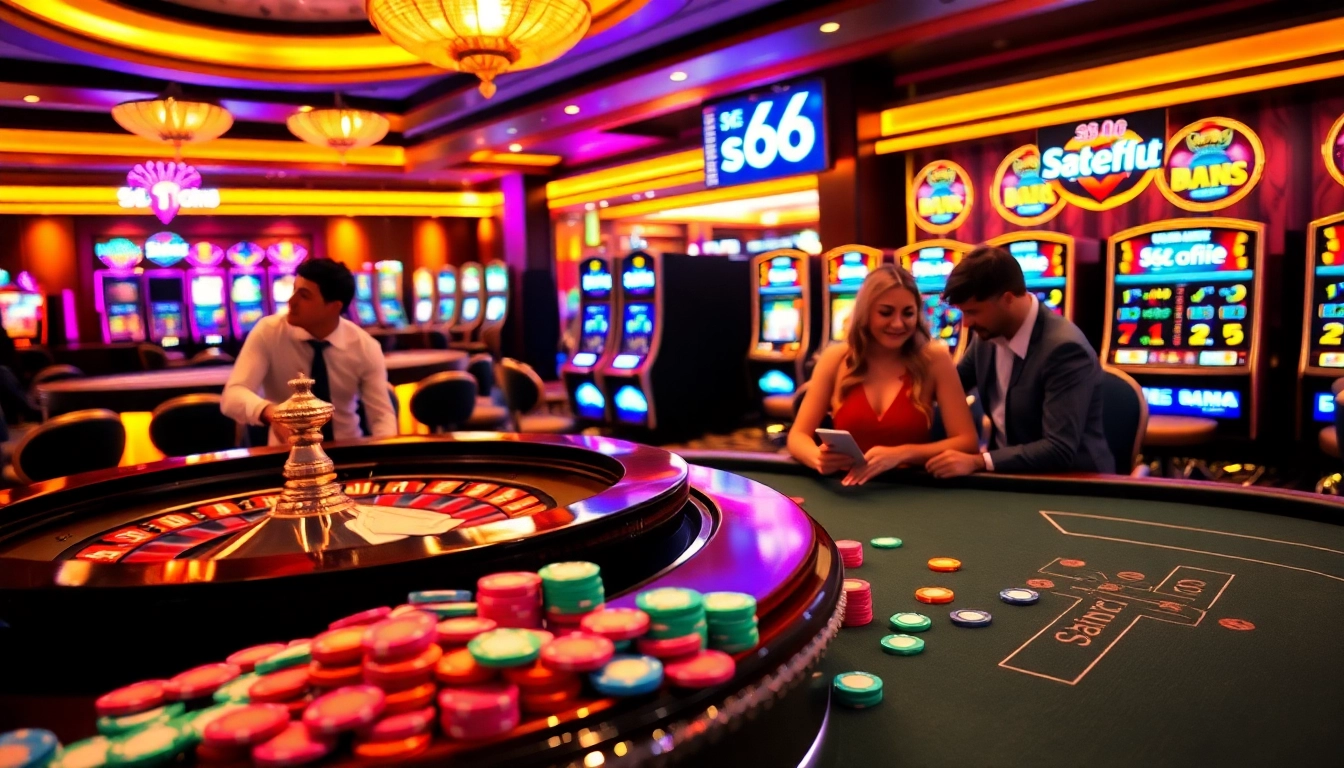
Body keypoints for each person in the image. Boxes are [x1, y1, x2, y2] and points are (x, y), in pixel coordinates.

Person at [925, 245, 1114, 478]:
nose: (966, 324)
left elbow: (1058, 449)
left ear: (1007, 299)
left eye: (973, 312)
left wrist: (979, 461)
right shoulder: (987, 336)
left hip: (1073, 484)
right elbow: (948, 387)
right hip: (1009, 477)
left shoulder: (1064, 349)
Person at [788, 264, 979, 485]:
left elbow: (967, 442)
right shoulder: (835, 358)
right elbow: (797, 437)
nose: (898, 323)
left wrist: (902, 453)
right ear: (865, 313)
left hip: (913, 491)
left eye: (908, 313)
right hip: (850, 492)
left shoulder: (934, 358)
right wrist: (817, 458)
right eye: (886, 312)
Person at [222, 258, 397, 445]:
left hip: (347, 453)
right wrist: (272, 412)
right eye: (294, 290)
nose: (291, 301)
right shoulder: (269, 331)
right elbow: (232, 396)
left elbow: (381, 418)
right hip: (285, 457)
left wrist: (383, 459)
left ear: (333, 307)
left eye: (304, 296)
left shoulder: (365, 346)